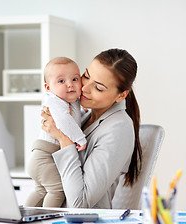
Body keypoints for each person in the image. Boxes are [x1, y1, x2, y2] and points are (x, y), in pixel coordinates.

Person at [40, 48, 142, 208]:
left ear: (121, 95)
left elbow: (79, 203)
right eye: (86, 76)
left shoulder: (118, 129)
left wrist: (62, 138)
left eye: (98, 88)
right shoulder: (84, 114)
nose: (84, 88)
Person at [25, 57, 87, 208]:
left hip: (40, 157)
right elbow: (64, 122)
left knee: (41, 191)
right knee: (57, 190)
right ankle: (48, 219)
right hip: (45, 156)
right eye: (61, 81)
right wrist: (80, 138)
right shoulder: (54, 101)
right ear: (47, 87)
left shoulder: (70, 101)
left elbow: (74, 120)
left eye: (74, 79)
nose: (70, 85)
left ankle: (24, 213)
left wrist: (86, 113)